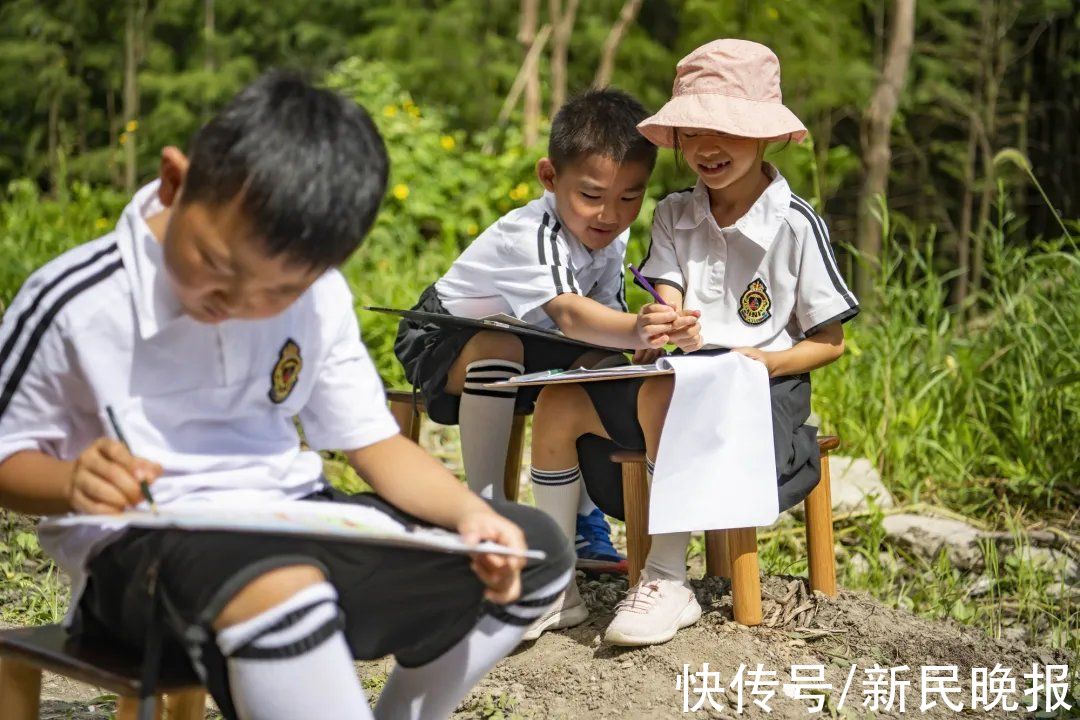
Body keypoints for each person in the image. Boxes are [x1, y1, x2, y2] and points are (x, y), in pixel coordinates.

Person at [0, 71, 574, 720]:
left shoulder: (317, 294)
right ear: (174, 182)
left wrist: (469, 517)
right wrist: (73, 479)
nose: (239, 305)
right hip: (140, 553)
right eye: (217, 266)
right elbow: (7, 459)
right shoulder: (75, 300)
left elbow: (374, 442)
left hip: (293, 516)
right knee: (281, 584)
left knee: (531, 551)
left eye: (276, 294)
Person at [525, 38, 859, 646]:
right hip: (676, 379)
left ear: (767, 136)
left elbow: (830, 342)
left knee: (666, 392)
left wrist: (767, 360)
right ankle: (554, 588)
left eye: (727, 131)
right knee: (560, 401)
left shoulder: (795, 224)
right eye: (691, 131)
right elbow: (668, 297)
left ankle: (666, 577)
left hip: (762, 394)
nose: (707, 147)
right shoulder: (675, 213)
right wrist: (664, 323)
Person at [394, 88, 700, 578]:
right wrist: (636, 330)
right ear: (549, 177)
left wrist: (645, 342)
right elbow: (572, 317)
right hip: (443, 336)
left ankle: (583, 521)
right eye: (591, 196)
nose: (611, 214)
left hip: (534, 343)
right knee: (502, 343)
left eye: (630, 197)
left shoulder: (612, 238)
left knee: (601, 368)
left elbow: (601, 324)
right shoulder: (532, 231)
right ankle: (486, 516)